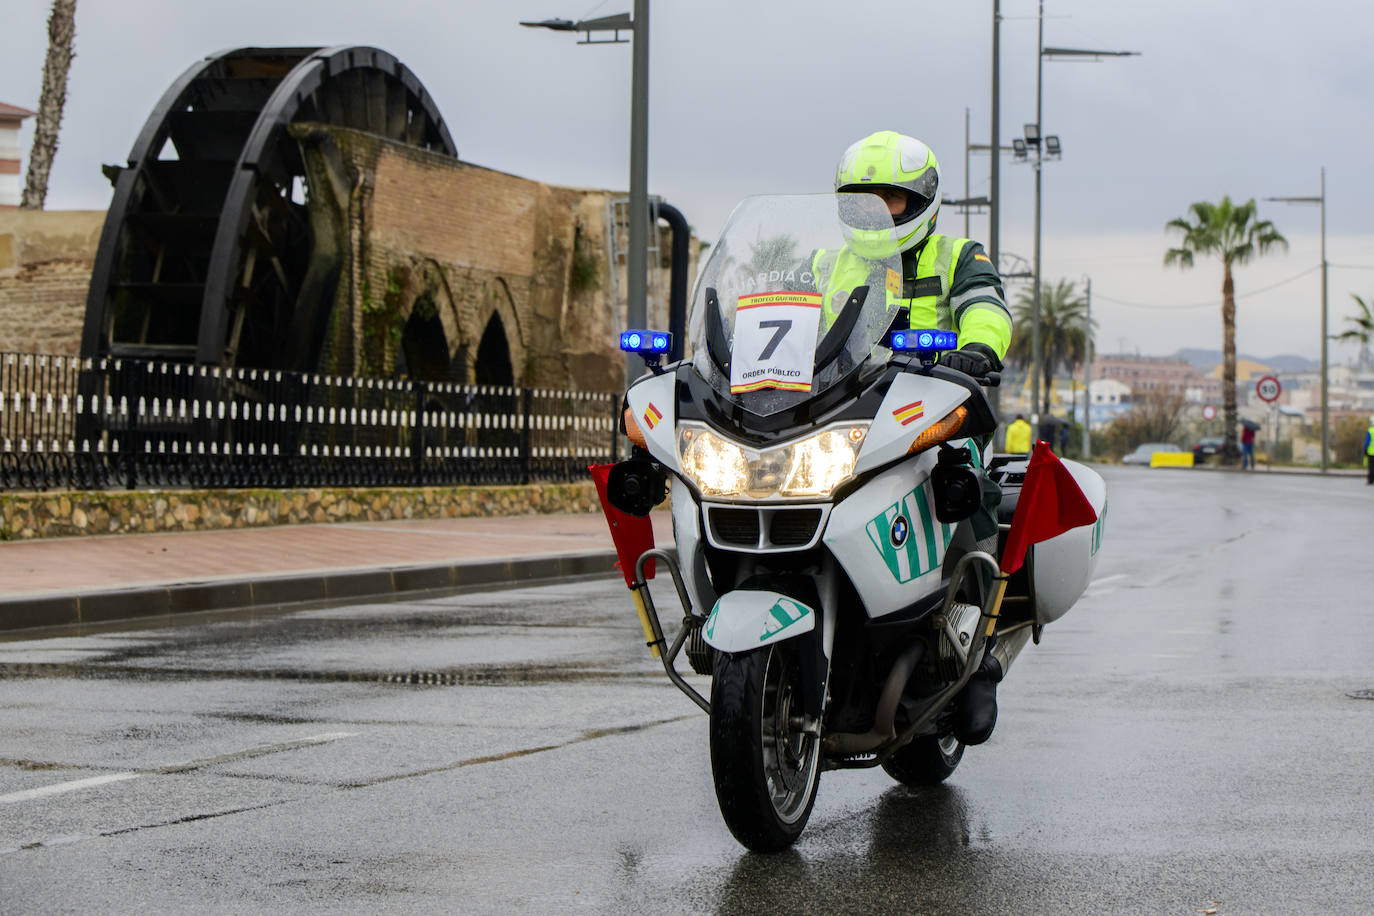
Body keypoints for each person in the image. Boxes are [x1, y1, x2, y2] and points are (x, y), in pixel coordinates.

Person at [828, 130, 1015, 746]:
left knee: (963, 485)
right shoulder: (828, 264)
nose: (878, 214)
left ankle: (979, 644)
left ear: (923, 200)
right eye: (865, 202)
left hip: (932, 410)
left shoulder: (959, 254)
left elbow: (987, 306)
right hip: (846, 411)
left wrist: (979, 348)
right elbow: (785, 317)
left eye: (892, 200)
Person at [1364, 416, 1374, 485]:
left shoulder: (1370, 430)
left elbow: (1367, 442)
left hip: (1371, 452)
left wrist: (1365, 449)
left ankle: (1370, 480)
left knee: (1371, 466)